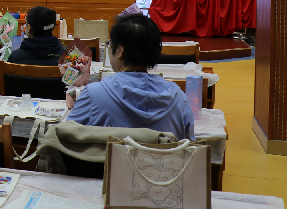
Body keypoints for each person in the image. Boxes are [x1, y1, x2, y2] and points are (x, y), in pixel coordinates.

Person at [66, 14, 195, 140]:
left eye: (110, 45)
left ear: (120, 51)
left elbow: (65, 137)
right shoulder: (179, 98)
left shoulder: (94, 94)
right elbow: (189, 147)